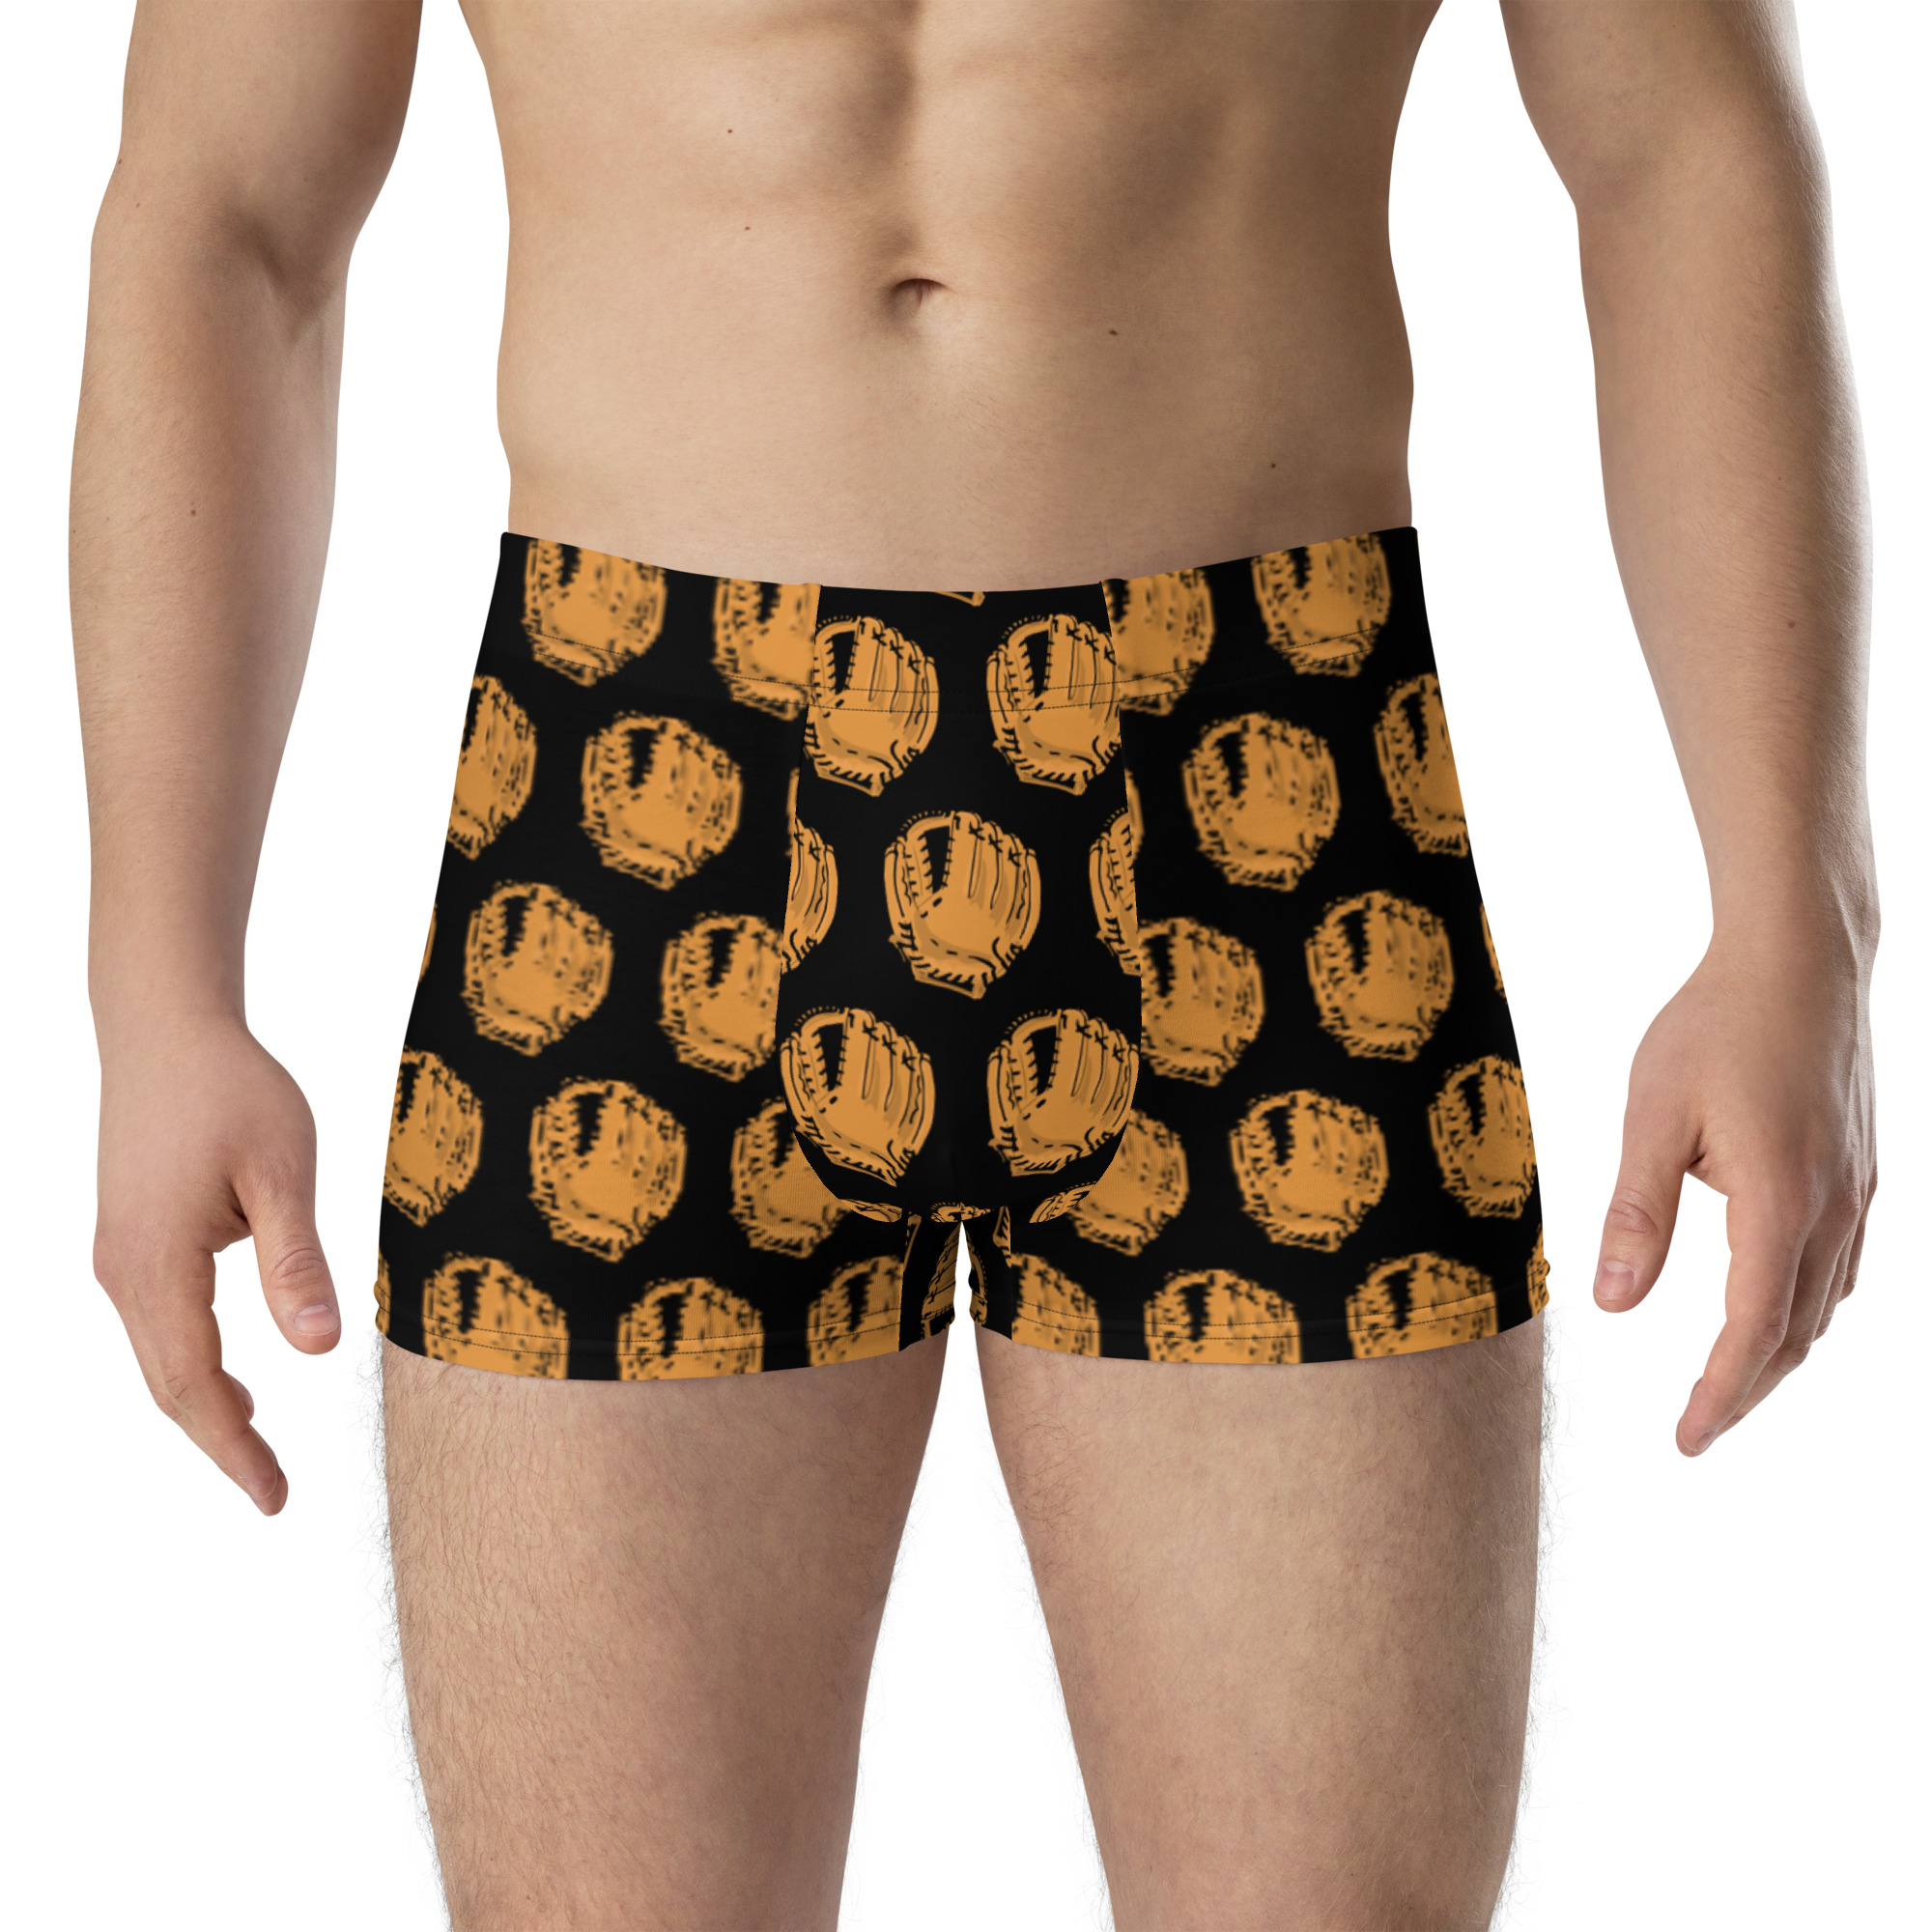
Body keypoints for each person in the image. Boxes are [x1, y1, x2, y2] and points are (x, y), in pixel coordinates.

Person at [71, 2, 1877, 1926]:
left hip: (1260, 796)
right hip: (628, 809)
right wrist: (157, 987)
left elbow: (1682, 153)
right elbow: (230, 218)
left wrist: (1797, 913)